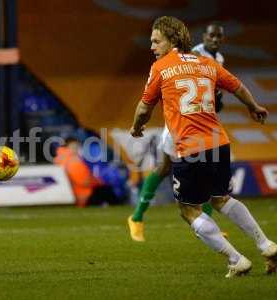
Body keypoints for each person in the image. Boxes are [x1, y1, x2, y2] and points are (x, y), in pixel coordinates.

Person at [129, 16, 276, 277]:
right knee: (221, 199)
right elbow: (237, 86)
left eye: (156, 41)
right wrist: (253, 107)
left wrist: (137, 127)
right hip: (219, 143)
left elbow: (144, 107)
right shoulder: (207, 63)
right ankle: (266, 245)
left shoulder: (161, 67)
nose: (151, 46)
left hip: (190, 147)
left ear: (172, 39)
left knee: (188, 210)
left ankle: (236, 260)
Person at [128, 22, 226, 241]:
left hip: (201, 124)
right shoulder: (193, 54)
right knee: (164, 167)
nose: (215, 40)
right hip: (180, 123)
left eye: (219, 37)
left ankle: (208, 227)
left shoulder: (218, 60)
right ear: (204, 36)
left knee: (201, 170)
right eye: (212, 36)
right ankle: (136, 217)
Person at [54, 137, 116, 207]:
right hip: (82, 196)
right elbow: (85, 181)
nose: (76, 149)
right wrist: (98, 181)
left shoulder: (58, 159)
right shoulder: (74, 160)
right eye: (74, 147)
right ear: (67, 147)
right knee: (106, 189)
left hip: (69, 195)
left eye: (77, 147)